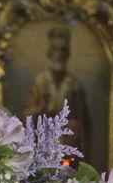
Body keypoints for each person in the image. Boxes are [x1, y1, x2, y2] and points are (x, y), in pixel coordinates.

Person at [21, 25, 93, 165]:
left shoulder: (74, 86)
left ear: (67, 54)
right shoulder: (40, 83)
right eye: (55, 50)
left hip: (67, 144)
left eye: (62, 50)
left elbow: (85, 123)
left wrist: (74, 127)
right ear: (50, 53)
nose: (59, 55)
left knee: (65, 170)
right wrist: (41, 108)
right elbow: (26, 115)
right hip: (43, 141)